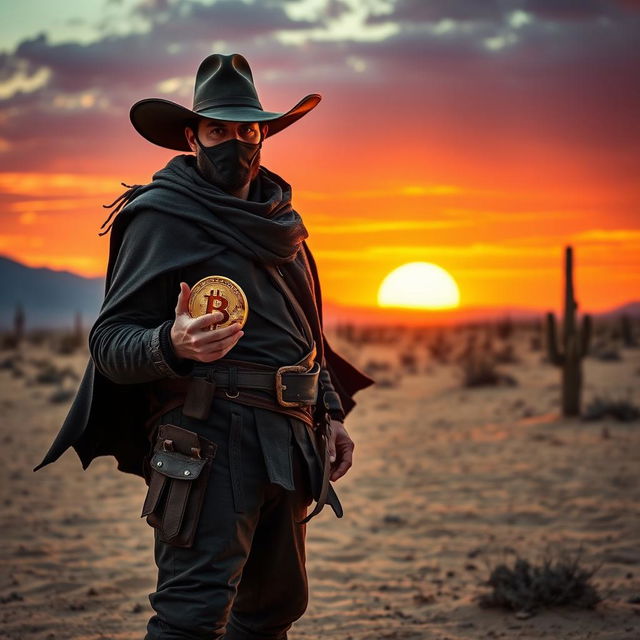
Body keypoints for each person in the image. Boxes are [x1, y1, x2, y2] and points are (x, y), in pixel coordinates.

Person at [32, 52, 375, 639]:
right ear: (192, 136)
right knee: (191, 617)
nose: (236, 143)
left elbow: (306, 332)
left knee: (273, 611)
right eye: (220, 130)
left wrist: (331, 414)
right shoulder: (161, 216)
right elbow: (110, 341)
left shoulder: (282, 221)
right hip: (209, 436)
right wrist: (172, 341)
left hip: (291, 439)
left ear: (263, 135)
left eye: (249, 130)